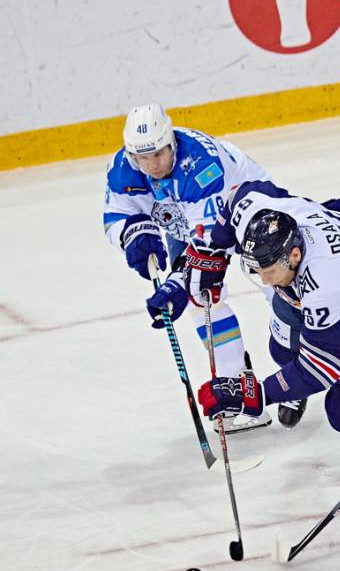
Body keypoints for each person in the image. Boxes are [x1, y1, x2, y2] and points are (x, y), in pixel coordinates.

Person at [102, 103, 272, 432]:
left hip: (249, 208)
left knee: (273, 283)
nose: (151, 165)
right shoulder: (124, 169)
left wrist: (177, 283)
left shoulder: (201, 166)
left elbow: (210, 247)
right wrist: (134, 235)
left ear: (172, 143)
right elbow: (116, 216)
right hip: (188, 221)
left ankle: (297, 360)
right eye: (143, 158)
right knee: (201, 300)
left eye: (158, 155)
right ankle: (234, 385)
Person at [190, 181, 340, 444]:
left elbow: (320, 367)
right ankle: (293, 386)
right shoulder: (261, 215)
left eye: (269, 271)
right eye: (258, 270)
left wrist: (257, 395)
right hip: (336, 230)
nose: (264, 281)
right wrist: (215, 252)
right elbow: (237, 196)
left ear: (295, 254)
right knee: (282, 351)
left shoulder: (330, 287)